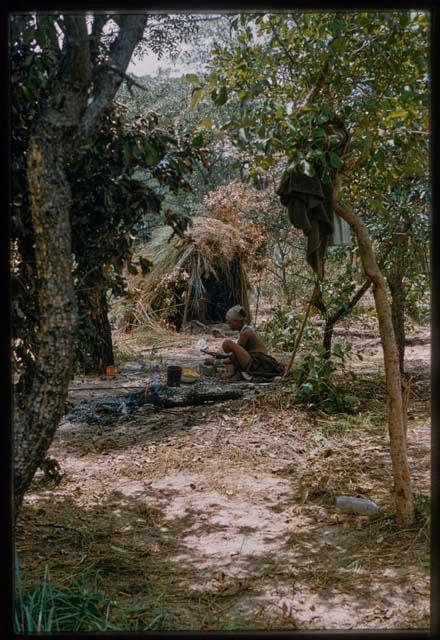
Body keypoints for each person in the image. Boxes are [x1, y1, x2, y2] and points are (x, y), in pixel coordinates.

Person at [202, 305, 284, 382]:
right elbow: (235, 356)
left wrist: (217, 361)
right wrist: (220, 358)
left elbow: (234, 356)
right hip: (256, 362)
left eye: (230, 322)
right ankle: (235, 373)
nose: (229, 325)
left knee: (227, 344)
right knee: (229, 347)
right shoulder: (244, 331)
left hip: (259, 364)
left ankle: (238, 374)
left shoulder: (245, 333)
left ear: (238, 321)